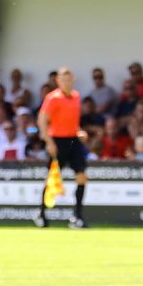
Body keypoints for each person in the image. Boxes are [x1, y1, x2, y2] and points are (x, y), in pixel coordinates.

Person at [35, 67, 89, 228]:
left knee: (82, 177)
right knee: (51, 178)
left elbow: (73, 121)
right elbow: (42, 121)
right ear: (58, 81)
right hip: (57, 141)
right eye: (64, 80)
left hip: (73, 140)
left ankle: (77, 216)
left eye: (69, 79)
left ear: (73, 80)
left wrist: (79, 131)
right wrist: (49, 142)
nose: (67, 82)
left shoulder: (76, 96)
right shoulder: (52, 98)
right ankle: (41, 213)